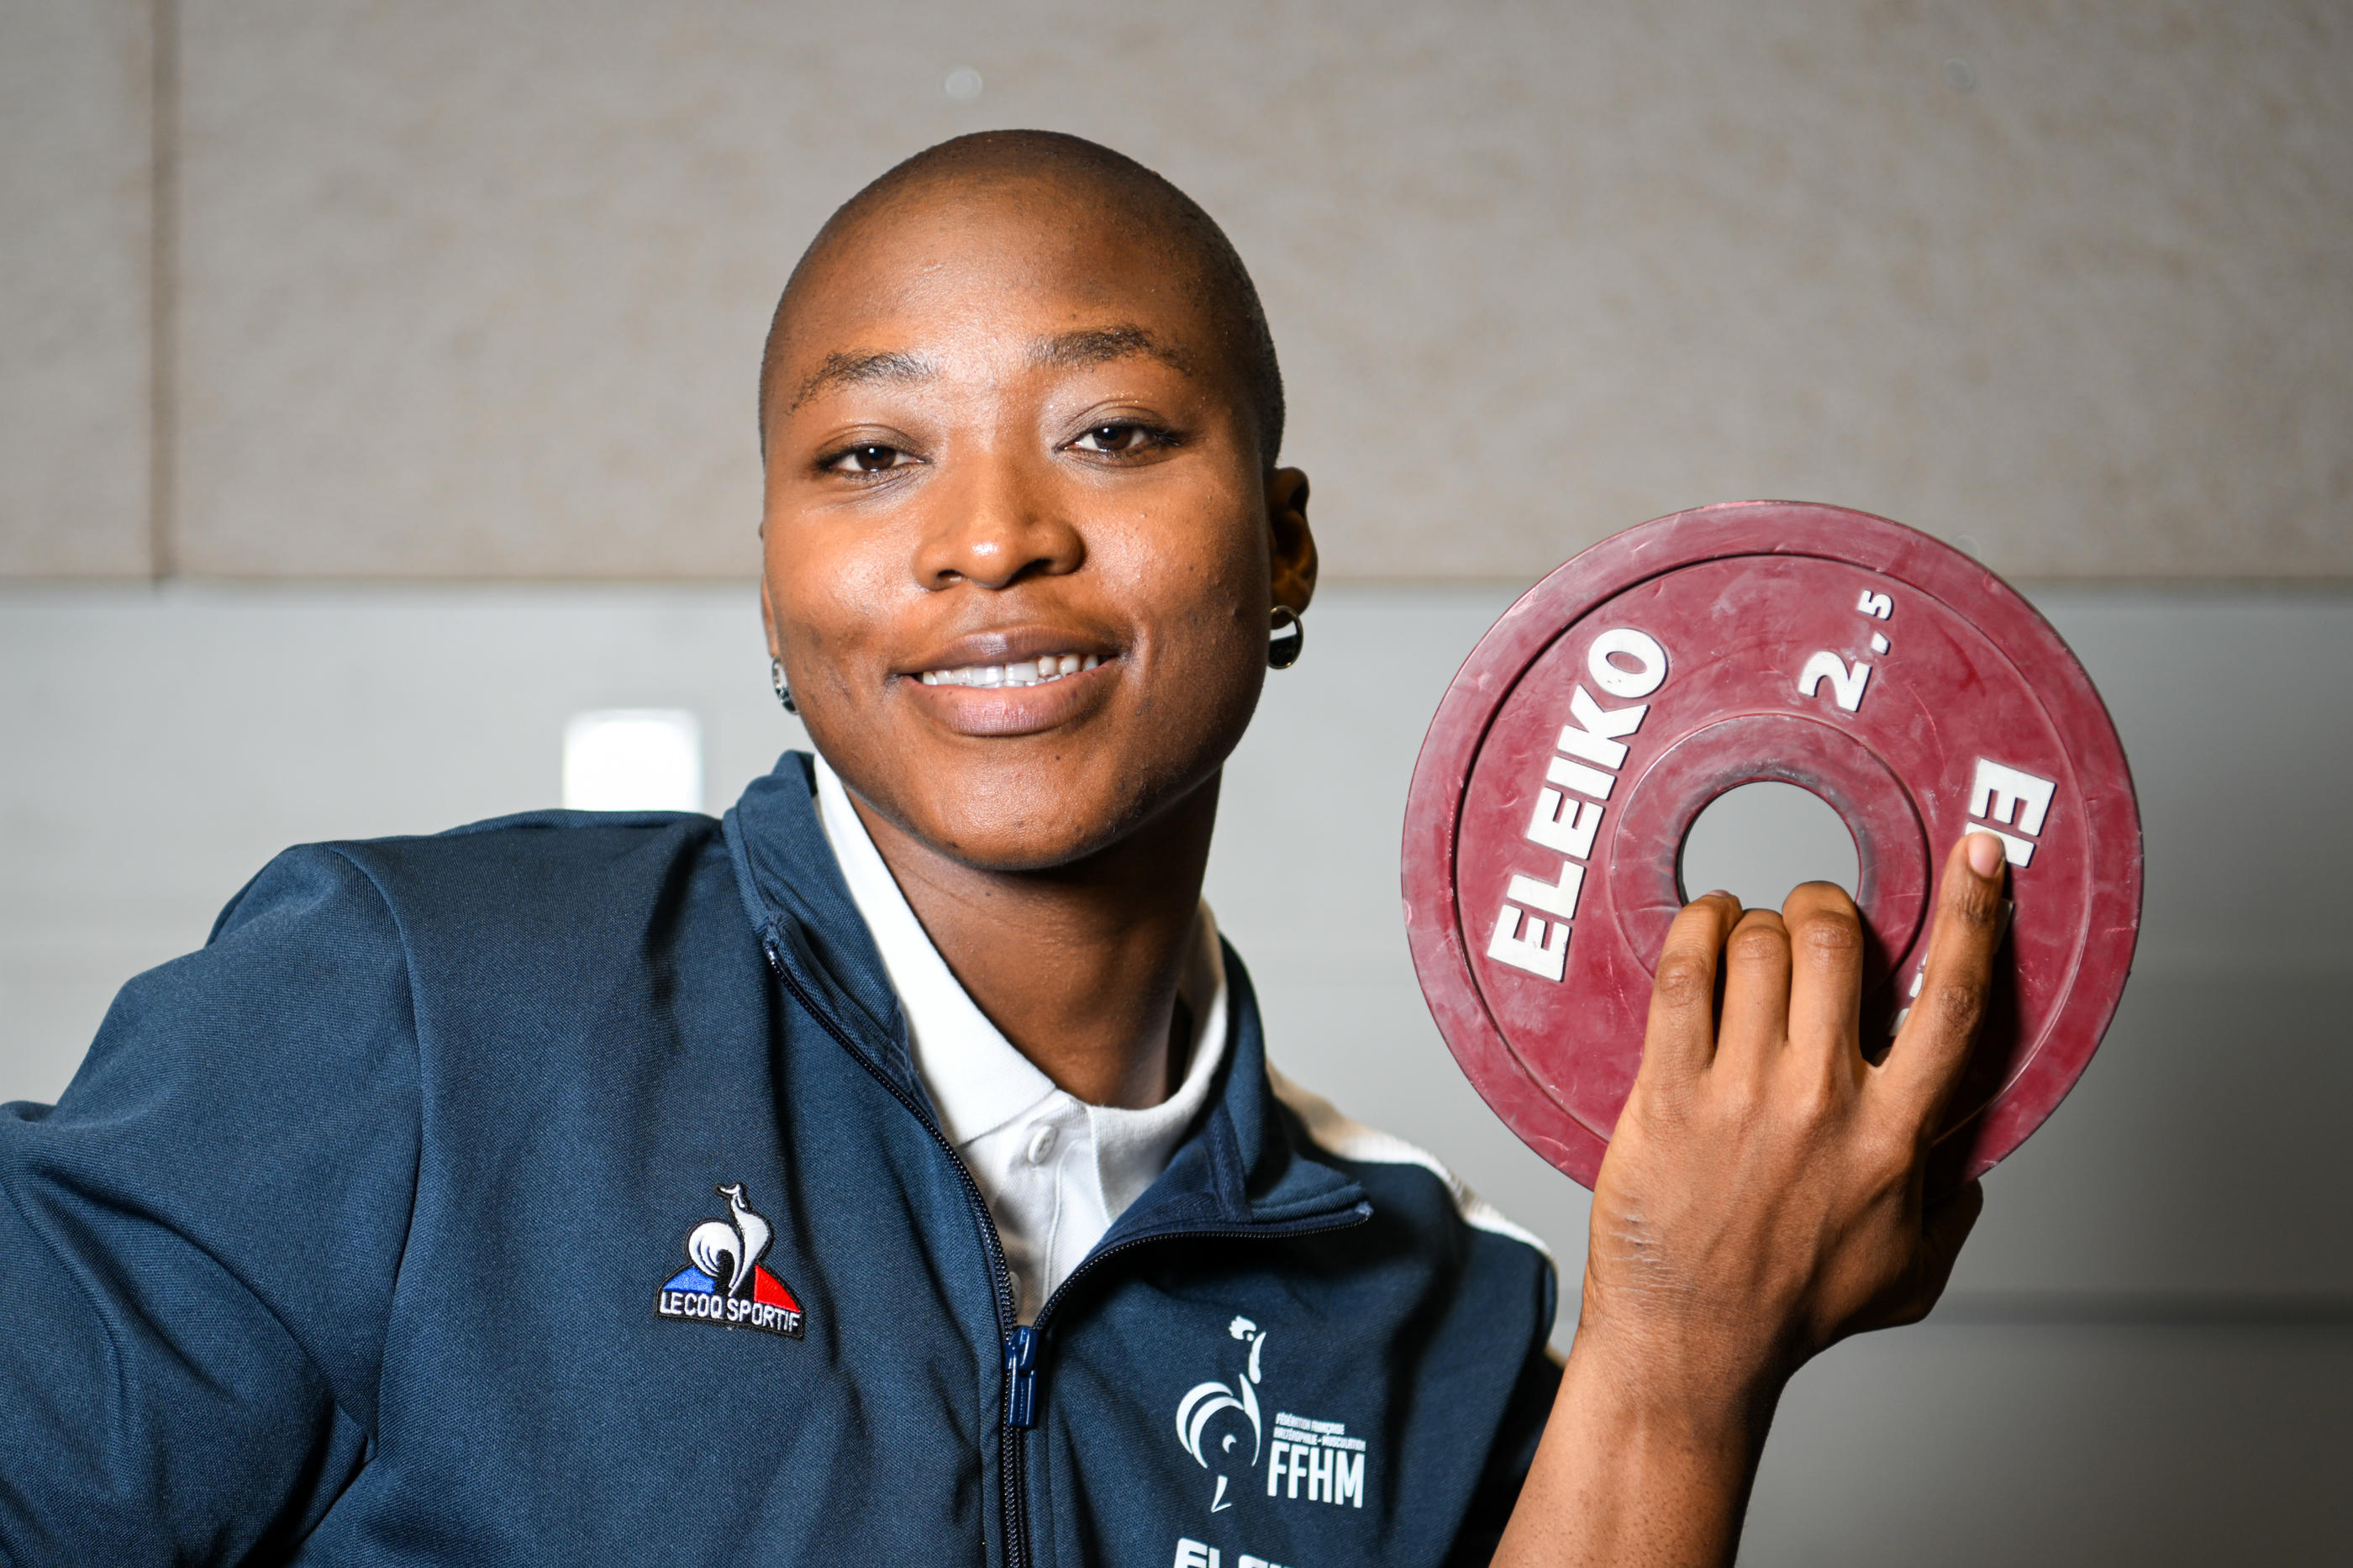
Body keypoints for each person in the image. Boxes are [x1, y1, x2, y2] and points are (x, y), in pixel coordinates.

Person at [0, 131, 2005, 1567]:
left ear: (1283, 544)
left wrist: (1681, 1363)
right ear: (775, 593)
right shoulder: (417, 1012)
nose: (987, 537)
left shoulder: (1422, 1317)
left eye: (1114, 434)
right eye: (870, 456)